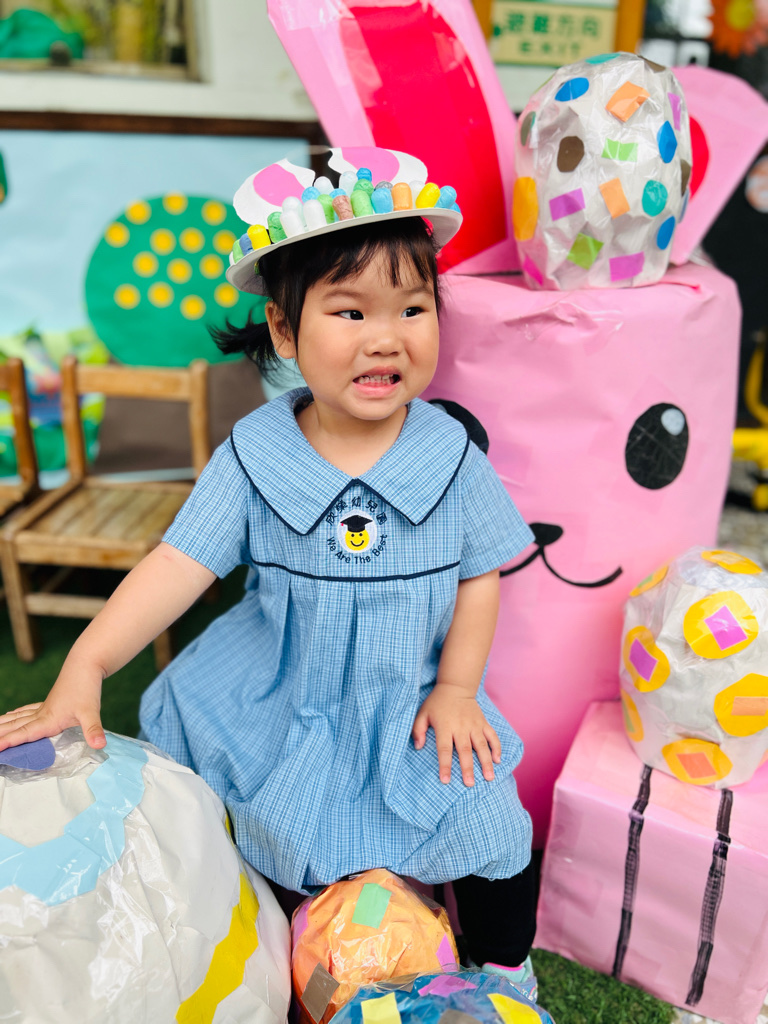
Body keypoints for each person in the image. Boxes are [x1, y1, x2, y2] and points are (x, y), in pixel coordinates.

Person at [0, 154, 538, 996]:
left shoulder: (451, 454)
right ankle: (287, 968)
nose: (386, 336)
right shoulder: (256, 455)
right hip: (285, 697)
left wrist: (458, 688)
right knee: (270, 835)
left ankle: (505, 970)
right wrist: (87, 664)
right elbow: (176, 565)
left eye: (413, 308)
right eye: (350, 311)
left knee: (494, 824)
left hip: (411, 703)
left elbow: (480, 575)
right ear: (285, 333)